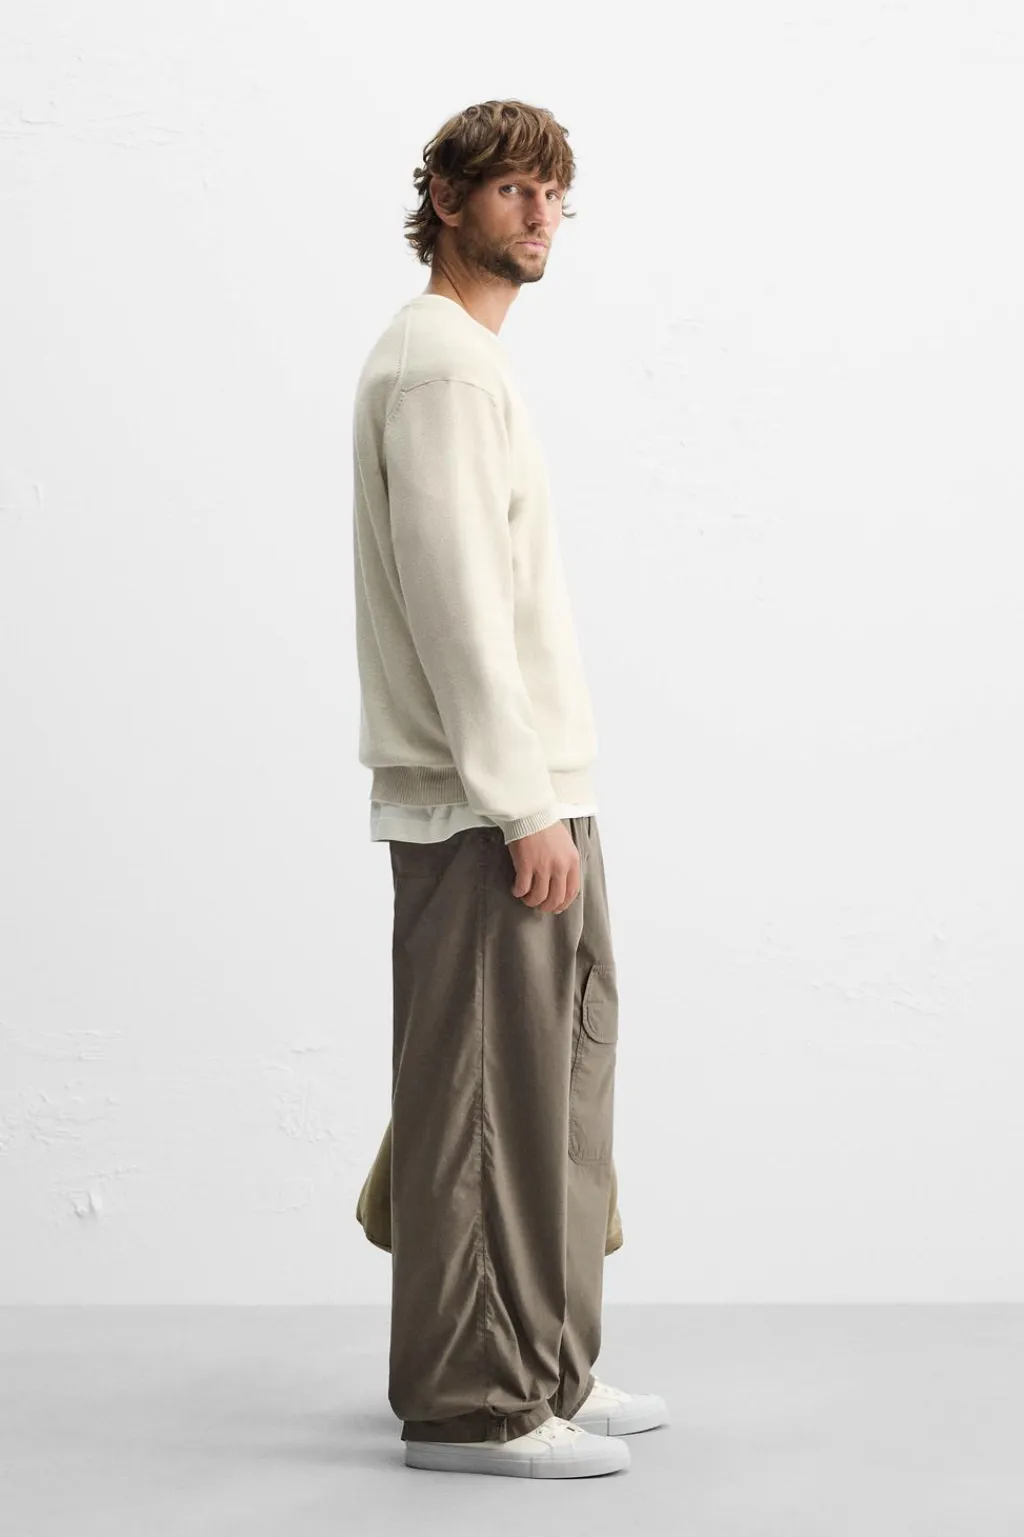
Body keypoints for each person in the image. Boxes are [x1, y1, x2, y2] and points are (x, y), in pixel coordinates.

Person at [350, 98, 668, 1478]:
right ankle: (474, 1406)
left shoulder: (471, 363)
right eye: (510, 191)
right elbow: (458, 603)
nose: (539, 216)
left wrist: (549, 792)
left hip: (536, 783)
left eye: (553, 193)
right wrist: (518, 801)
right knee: (486, 1099)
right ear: (445, 197)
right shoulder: (436, 367)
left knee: (555, 1094)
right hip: (490, 805)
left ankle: (548, 1364)